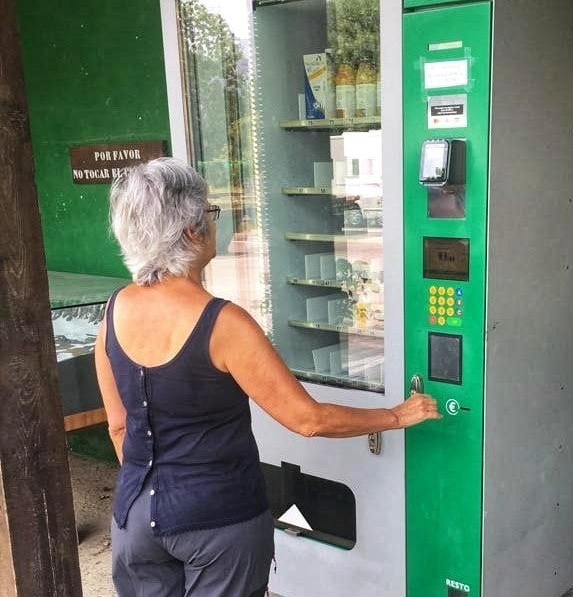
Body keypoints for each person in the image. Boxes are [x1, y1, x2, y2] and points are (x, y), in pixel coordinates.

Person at [95, 157, 440, 597]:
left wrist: (154, 495)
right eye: (211, 213)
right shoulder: (222, 323)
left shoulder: (113, 311)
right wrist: (397, 415)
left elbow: (119, 426)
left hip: (135, 520)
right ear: (192, 232)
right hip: (218, 522)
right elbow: (307, 419)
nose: (216, 224)